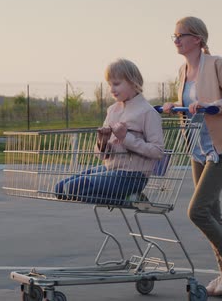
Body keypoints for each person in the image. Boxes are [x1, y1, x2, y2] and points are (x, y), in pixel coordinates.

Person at [162, 16, 222, 296]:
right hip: (198, 149)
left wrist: (215, 105)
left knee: (197, 210)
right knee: (213, 212)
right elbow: (191, 106)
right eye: (173, 36)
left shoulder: (217, 65)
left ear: (197, 39)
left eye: (180, 35)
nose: (175, 40)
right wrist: (172, 106)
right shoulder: (182, 70)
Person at [55, 59, 164, 206]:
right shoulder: (112, 110)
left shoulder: (147, 112)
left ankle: (131, 200)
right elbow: (100, 155)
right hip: (110, 169)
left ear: (133, 82)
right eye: (109, 84)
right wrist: (103, 141)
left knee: (72, 188)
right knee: (60, 189)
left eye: (117, 84)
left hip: (133, 176)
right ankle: (127, 199)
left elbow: (157, 152)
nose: (112, 89)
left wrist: (125, 137)